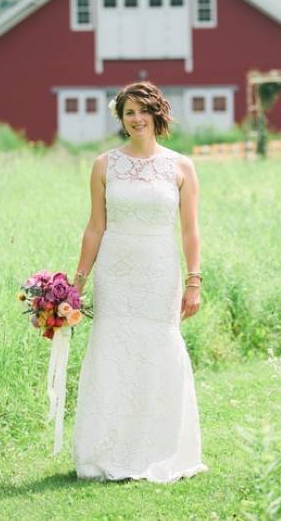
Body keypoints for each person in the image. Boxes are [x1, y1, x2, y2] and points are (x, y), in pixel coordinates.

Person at [71, 81, 209, 482]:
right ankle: (107, 450)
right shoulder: (104, 165)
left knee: (159, 348)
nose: (135, 119)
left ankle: (162, 447)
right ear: (121, 118)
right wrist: (76, 284)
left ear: (157, 114)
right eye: (128, 112)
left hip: (159, 269)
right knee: (113, 351)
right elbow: (95, 228)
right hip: (116, 270)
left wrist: (193, 280)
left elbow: (190, 231)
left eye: (142, 111)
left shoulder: (181, 166)